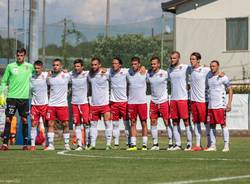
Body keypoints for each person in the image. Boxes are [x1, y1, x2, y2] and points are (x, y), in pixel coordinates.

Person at [1, 48, 34, 151]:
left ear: (25, 56)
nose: (20, 57)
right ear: (16, 55)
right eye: (18, 55)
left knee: (24, 120)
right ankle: (5, 144)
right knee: (8, 119)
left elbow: (38, 74)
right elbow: (4, 81)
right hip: (11, 97)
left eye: (22, 55)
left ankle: (25, 144)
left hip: (24, 98)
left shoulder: (29, 67)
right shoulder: (10, 66)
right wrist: (2, 94)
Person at [205, 60, 233, 152]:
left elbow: (230, 90)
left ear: (218, 66)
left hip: (220, 106)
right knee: (212, 125)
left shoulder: (223, 77)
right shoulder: (208, 75)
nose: (212, 68)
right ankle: (213, 145)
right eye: (211, 66)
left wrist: (229, 103)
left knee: (223, 125)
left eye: (214, 66)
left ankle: (226, 145)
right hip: (211, 106)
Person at [168, 51, 193, 151]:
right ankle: (178, 144)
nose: (172, 60)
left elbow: (197, 70)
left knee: (186, 121)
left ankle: (189, 143)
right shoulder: (169, 70)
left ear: (178, 58)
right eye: (171, 58)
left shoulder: (186, 67)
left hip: (183, 99)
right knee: (175, 122)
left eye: (174, 58)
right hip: (173, 99)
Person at [147, 56, 173, 150]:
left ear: (158, 64)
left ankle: (171, 143)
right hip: (153, 101)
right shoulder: (149, 74)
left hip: (163, 101)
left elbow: (174, 78)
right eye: (151, 64)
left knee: (167, 122)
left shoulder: (165, 73)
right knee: (153, 122)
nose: (153, 65)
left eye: (154, 64)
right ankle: (155, 144)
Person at [87, 57, 112, 150]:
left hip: (105, 104)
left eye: (95, 64)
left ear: (100, 65)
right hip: (94, 104)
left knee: (107, 124)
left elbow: (115, 72)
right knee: (93, 125)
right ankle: (93, 145)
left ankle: (108, 144)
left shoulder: (106, 73)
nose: (93, 66)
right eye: (92, 64)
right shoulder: (89, 75)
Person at [45, 58, 71, 151]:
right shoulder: (49, 77)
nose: (55, 67)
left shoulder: (66, 75)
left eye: (57, 65)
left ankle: (66, 144)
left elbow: (78, 75)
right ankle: (51, 145)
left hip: (63, 105)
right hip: (51, 104)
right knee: (50, 123)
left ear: (61, 66)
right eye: (54, 65)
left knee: (65, 124)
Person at [127, 57, 148, 151]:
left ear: (139, 64)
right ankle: (133, 145)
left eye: (135, 64)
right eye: (132, 64)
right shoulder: (128, 73)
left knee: (144, 123)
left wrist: (145, 68)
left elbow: (154, 71)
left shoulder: (145, 72)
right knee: (133, 123)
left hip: (142, 102)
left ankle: (144, 145)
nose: (133, 66)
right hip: (131, 103)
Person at [109, 57, 130, 149]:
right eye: (113, 63)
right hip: (114, 102)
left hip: (124, 102)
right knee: (115, 124)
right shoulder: (109, 72)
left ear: (120, 64)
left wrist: (142, 68)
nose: (114, 65)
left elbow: (136, 69)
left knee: (126, 124)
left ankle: (128, 142)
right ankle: (116, 143)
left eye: (116, 63)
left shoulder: (125, 71)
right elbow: (100, 69)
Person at [69, 59, 90, 151]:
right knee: (77, 124)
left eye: (78, 66)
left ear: (82, 67)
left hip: (84, 103)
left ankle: (88, 143)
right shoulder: (71, 75)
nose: (76, 68)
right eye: (75, 66)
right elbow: (61, 74)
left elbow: (98, 71)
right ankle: (79, 144)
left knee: (86, 123)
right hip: (74, 103)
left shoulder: (87, 74)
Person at [30, 60, 48, 150]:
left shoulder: (46, 75)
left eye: (38, 68)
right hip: (34, 105)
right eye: (35, 68)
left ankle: (46, 144)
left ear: (42, 68)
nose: (37, 70)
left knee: (46, 125)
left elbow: (55, 73)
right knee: (33, 124)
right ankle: (33, 145)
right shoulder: (31, 76)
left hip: (45, 105)